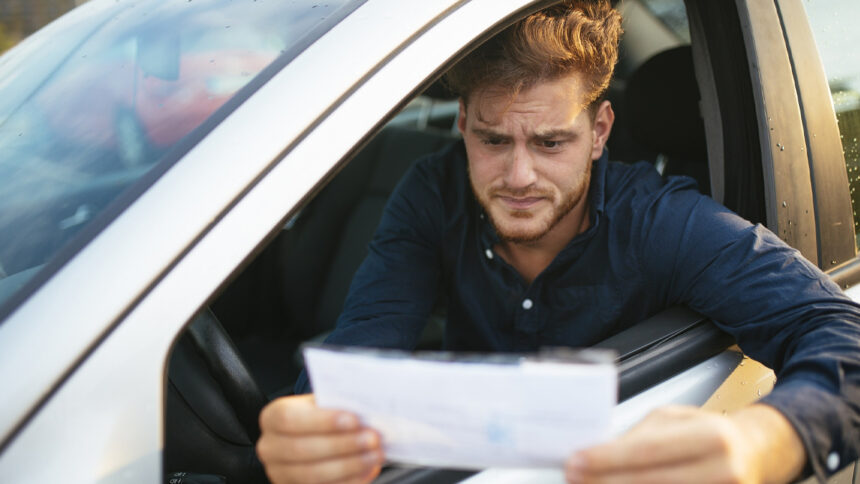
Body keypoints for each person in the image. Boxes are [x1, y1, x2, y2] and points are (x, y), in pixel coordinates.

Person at [256, 1, 860, 483]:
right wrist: (313, 434)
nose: (518, 178)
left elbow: (844, 335)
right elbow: (362, 349)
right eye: (493, 141)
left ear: (599, 132)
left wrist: (765, 442)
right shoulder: (433, 194)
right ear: (462, 123)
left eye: (550, 143)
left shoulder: (660, 220)